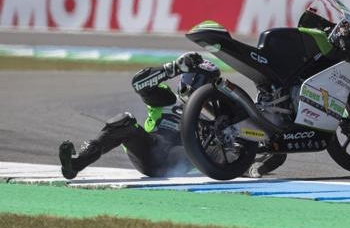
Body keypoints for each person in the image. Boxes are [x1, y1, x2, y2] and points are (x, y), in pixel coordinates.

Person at [59, 52, 285, 179]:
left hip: (186, 159)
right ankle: (77, 162)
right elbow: (138, 83)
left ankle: (250, 167)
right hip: (150, 151)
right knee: (125, 119)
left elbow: (258, 138)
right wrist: (173, 68)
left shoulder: (222, 116)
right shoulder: (168, 99)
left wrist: (265, 154)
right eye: (197, 80)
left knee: (237, 151)